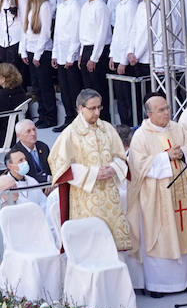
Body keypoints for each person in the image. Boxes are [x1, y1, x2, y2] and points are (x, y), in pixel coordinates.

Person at [128, 95, 187, 295]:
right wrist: (165, 157)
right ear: (149, 114)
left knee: (181, 230)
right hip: (156, 197)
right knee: (160, 236)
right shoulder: (141, 136)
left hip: (180, 191)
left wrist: (182, 152)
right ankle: (159, 285)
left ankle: (183, 281)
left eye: (167, 108)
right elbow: (138, 166)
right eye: (161, 110)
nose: (166, 112)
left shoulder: (176, 128)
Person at [49, 89, 134, 251]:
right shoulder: (70, 133)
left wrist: (114, 169)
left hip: (109, 195)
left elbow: (121, 156)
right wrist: (93, 173)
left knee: (113, 247)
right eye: (92, 108)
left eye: (99, 108)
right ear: (80, 108)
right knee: (91, 247)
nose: (97, 112)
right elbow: (59, 164)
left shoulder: (107, 129)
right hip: (85, 197)